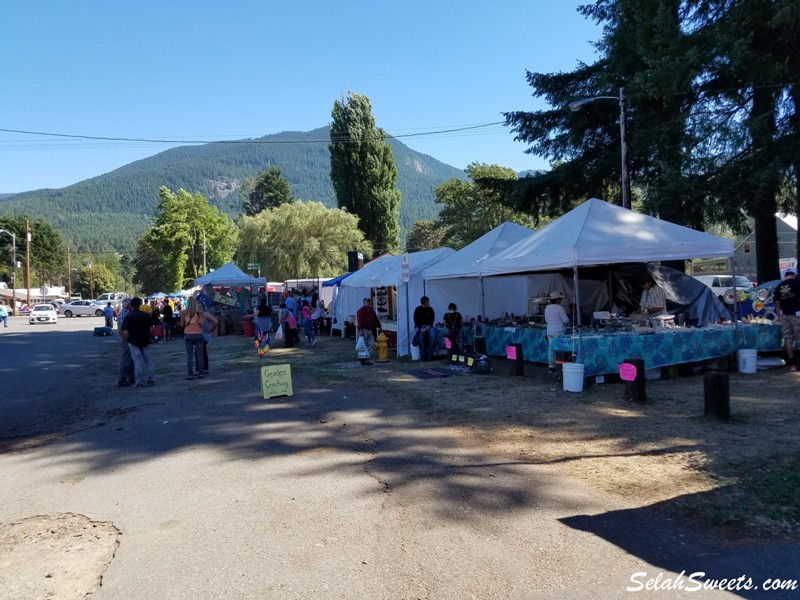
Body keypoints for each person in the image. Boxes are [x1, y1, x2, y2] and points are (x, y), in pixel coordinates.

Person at [120, 297, 155, 388]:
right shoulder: (146, 315)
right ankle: (151, 379)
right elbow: (151, 327)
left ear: (131, 305)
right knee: (148, 360)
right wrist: (148, 335)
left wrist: (127, 340)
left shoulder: (128, 316)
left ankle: (139, 382)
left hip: (133, 341)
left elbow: (125, 331)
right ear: (140, 305)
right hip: (145, 340)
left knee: (137, 362)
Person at [774, 270, 800, 372]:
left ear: (785, 276)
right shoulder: (798, 283)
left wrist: (779, 317)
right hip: (797, 314)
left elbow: (777, 304)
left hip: (785, 315)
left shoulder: (779, 286)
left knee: (788, 339)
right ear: (794, 275)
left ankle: (792, 364)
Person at [180, 296, 209, 380]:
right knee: (200, 355)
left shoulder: (184, 312)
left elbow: (182, 325)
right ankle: (201, 373)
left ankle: (190, 374)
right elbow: (202, 324)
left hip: (188, 334)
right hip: (198, 334)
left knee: (189, 355)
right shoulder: (199, 312)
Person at [544, 291, 570, 374]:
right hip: (558, 331)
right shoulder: (559, 308)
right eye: (559, 299)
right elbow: (565, 320)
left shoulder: (547, 308)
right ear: (557, 300)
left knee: (551, 349)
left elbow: (546, 320)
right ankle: (560, 366)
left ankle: (551, 367)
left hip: (550, 331)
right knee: (560, 350)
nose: (560, 300)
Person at [116, 298, 136, 387]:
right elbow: (120, 329)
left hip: (129, 339)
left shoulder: (126, 313)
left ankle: (131, 377)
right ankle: (122, 379)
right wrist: (126, 339)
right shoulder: (122, 314)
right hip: (126, 340)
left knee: (131, 359)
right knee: (126, 359)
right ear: (128, 305)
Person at [194, 303, 219, 374]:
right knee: (201, 351)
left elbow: (215, 322)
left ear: (203, 307)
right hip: (198, 335)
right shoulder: (196, 315)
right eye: (197, 306)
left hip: (204, 335)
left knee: (199, 352)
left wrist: (210, 329)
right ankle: (204, 367)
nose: (199, 308)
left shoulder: (205, 314)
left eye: (200, 306)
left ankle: (200, 368)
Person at [356, 297, 381, 365]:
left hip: (369, 330)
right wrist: (361, 329)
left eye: (369, 302)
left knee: (372, 344)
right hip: (363, 329)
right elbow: (360, 321)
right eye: (367, 302)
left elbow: (375, 318)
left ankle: (365, 357)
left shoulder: (371, 310)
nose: (368, 303)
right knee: (363, 345)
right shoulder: (361, 311)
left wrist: (379, 325)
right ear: (364, 303)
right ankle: (363, 359)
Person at [413, 296, 436, 360]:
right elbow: (416, 320)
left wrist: (429, 325)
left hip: (429, 326)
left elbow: (432, 319)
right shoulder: (417, 309)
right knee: (421, 337)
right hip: (420, 326)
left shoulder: (430, 309)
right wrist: (420, 328)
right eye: (427, 302)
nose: (428, 303)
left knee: (433, 335)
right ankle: (422, 355)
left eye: (428, 302)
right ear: (423, 303)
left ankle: (430, 354)